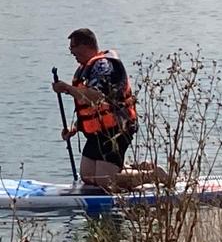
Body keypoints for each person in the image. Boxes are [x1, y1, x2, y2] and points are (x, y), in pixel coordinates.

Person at [51, 27, 169, 190]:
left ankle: (153, 176)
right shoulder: (84, 69)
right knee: (88, 176)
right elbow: (93, 108)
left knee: (105, 182)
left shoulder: (103, 66)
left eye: (73, 47)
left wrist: (67, 88)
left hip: (116, 129)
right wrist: (76, 128)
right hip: (99, 132)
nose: (71, 52)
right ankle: (138, 168)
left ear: (86, 45)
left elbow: (96, 96)